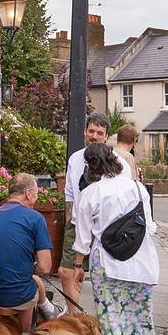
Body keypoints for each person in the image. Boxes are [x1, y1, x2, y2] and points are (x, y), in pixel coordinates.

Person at [73, 143, 166, 335]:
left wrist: (77, 266)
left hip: (107, 266)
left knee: (112, 320)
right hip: (140, 264)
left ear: (90, 166)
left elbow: (82, 239)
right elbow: (150, 227)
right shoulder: (137, 188)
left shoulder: (90, 194)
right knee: (143, 318)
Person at [0, 172, 63, 333]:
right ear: (28, 194)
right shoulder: (35, 218)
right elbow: (45, 267)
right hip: (14, 294)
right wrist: (31, 268)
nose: (36, 198)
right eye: (36, 194)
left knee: (28, 281)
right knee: (31, 284)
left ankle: (47, 312)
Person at [61, 112, 111, 304]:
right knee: (66, 272)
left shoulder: (115, 161)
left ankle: (102, 321)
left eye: (100, 132)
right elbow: (69, 193)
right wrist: (68, 221)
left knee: (103, 277)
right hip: (76, 224)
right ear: (85, 132)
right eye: (91, 131)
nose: (95, 136)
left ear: (106, 136)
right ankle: (75, 318)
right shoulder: (75, 159)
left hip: (104, 228)